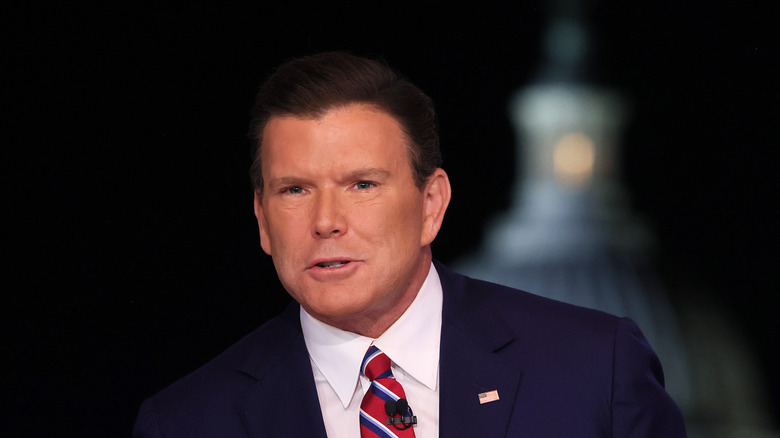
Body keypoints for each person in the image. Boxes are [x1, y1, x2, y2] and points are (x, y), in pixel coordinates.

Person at [134, 51, 687, 437]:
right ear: (261, 219)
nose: (326, 221)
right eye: (295, 189)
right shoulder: (187, 422)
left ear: (431, 204)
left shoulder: (594, 370)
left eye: (362, 185)